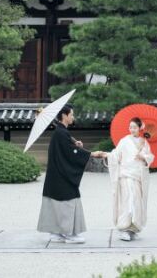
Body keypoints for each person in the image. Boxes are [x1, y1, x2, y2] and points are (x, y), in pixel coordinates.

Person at [37, 104, 107, 244]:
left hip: (56, 174)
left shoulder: (61, 132)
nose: (73, 117)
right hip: (61, 175)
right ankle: (68, 234)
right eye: (72, 114)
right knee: (67, 201)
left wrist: (76, 146)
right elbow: (70, 153)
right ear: (64, 115)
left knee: (57, 202)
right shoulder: (61, 133)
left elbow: (69, 149)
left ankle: (56, 233)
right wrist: (91, 154)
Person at [103, 117, 154, 241]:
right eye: (130, 127)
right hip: (125, 175)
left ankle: (133, 228)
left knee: (136, 201)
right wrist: (108, 155)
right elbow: (116, 154)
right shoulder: (124, 141)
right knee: (128, 200)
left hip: (138, 176)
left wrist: (143, 156)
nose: (132, 129)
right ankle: (123, 228)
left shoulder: (144, 142)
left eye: (134, 127)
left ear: (140, 128)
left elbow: (150, 156)